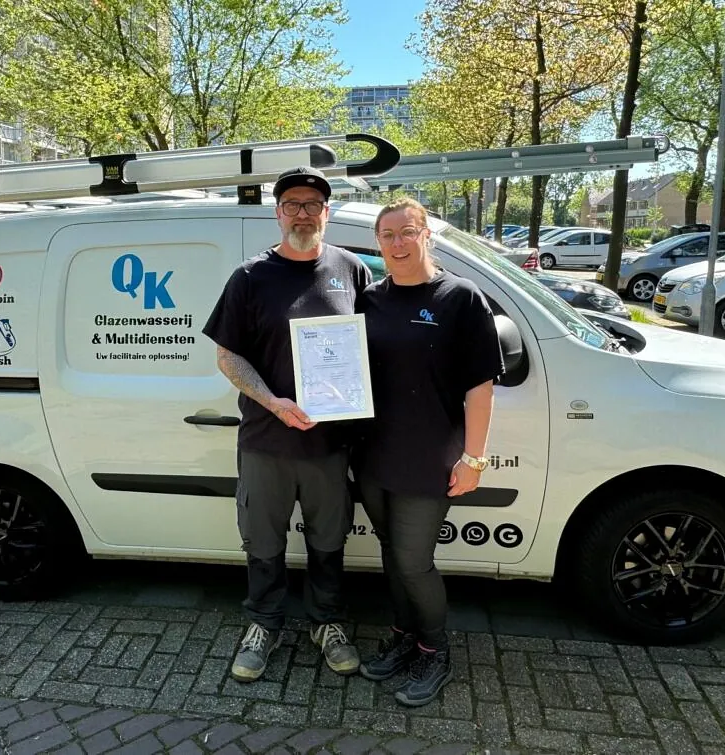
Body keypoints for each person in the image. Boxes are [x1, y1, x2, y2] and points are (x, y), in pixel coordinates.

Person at [202, 165, 373, 683]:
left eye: (312, 204)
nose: (303, 213)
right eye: (293, 205)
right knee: (263, 540)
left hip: (329, 443)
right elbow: (228, 356)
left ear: (327, 212)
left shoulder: (351, 269)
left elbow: (369, 344)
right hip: (267, 439)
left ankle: (327, 623)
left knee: (329, 539)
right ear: (278, 214)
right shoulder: (250, 277)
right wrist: (273, 402)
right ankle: (264, 624)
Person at [354, 197, 503, 707]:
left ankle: (435, 651)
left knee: (414, 561)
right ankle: (403, 636)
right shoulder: (370, 300)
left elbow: (480, 389)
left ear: (426, 236)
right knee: (391, 553)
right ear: (378, 243)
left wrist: (474, 458)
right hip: (373, 454)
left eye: (407, 232)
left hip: (430, 456)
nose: (397, 243)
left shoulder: (460, 298)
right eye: (387, 235)